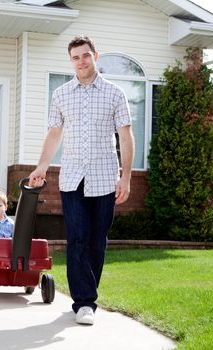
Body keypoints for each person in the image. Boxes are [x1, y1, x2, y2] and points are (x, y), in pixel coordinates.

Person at [28, 35, 134, 325]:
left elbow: (125, 136)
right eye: (75, 57)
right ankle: (84, 302)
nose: (81, 61)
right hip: (72, 176)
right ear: (71, 60)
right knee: (77, 238)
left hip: (104, 176)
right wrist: (41, 166)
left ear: (95, 56)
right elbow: (54, 134)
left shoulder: (115, 94)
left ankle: (87, 294)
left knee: (97, 241)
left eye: (85, 55)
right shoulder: (61, 94)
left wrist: (125, 177)